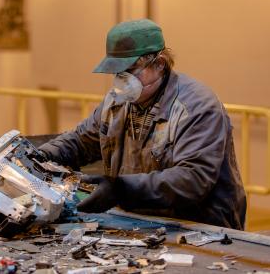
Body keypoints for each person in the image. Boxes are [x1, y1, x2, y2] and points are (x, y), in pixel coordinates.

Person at [39, 19, 246, 230]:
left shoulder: (196, 107)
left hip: (198, 228)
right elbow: (82, 140)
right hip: (143, 223)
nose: (122, 80)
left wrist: (121, 189)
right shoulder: (117, 102)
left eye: (130, 70)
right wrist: (41, 156)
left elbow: (192, 180)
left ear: (159, 64)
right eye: (117, 73)